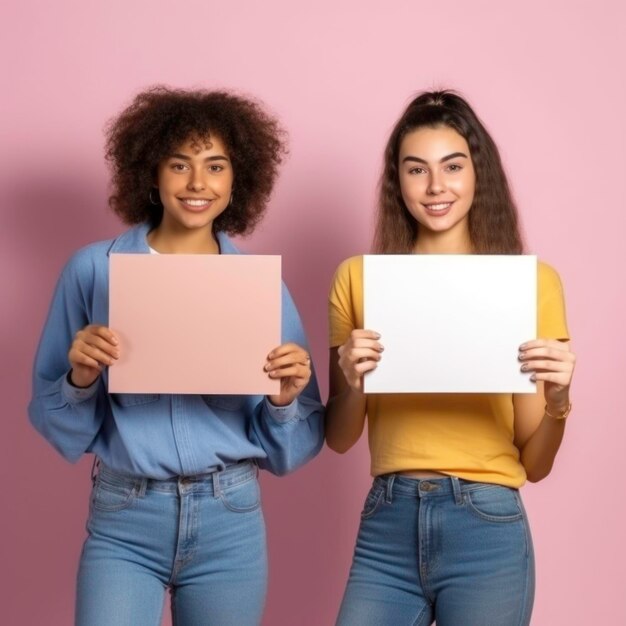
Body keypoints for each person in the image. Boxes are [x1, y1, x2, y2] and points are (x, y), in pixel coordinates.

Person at [28, 86, 324, 626]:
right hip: (125, 517)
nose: (197, 184)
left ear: (238, 179)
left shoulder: (261, 287)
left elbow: (294, 450)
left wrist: (283, 403)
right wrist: (80, 377)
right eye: (179, 165)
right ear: (152, 173)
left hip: (230, 519)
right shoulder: (93, 271)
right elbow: (54, 423)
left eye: (215, 166)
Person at [326, 90, 575, 626]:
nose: (436, 187)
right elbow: (340, 437)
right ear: (398, 181)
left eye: (453, 166)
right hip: (387, 520)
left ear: (477, 173)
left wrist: (558, 400)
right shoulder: (359, 278)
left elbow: (535, 463)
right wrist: (350, 381)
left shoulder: (530, 283)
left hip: (486, 522)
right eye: (417, 170)